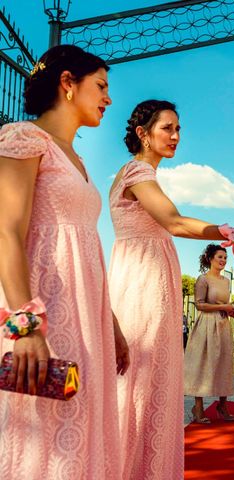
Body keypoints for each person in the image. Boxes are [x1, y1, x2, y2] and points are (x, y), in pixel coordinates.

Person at [108, 99, 234, 479]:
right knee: (141, 381)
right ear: (142, 134)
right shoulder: (137, 172)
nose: (175, 136)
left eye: (179, 129)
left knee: (149, 382)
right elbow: (174, 222)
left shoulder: (138, 174)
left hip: (147, 279)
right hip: (141, 285)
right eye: (167, 128)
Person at [0, 45, 129, 479]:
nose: (108, 98)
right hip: (44, 313)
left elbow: (85, 247)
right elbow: (6, 233)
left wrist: (110, 324)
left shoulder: (76, 159)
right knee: (49, 437)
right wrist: (25, 326)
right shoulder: (24, 138)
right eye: (102, 86)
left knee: (81, 431)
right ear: (68, 83)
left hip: (86, 317)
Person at [184, 244, 234, 423]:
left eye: (225, 258)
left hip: (223, 323)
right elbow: (200, 304)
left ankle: (222, 405)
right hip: (206, 324)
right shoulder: (203, 279)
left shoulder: (226, 281)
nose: (223, 261)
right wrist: (223, 307)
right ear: (210, 258)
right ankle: (198, 408)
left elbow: (225, 305)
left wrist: (233, 310)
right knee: (203, 364)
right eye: (220, 257)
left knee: (224, 364)